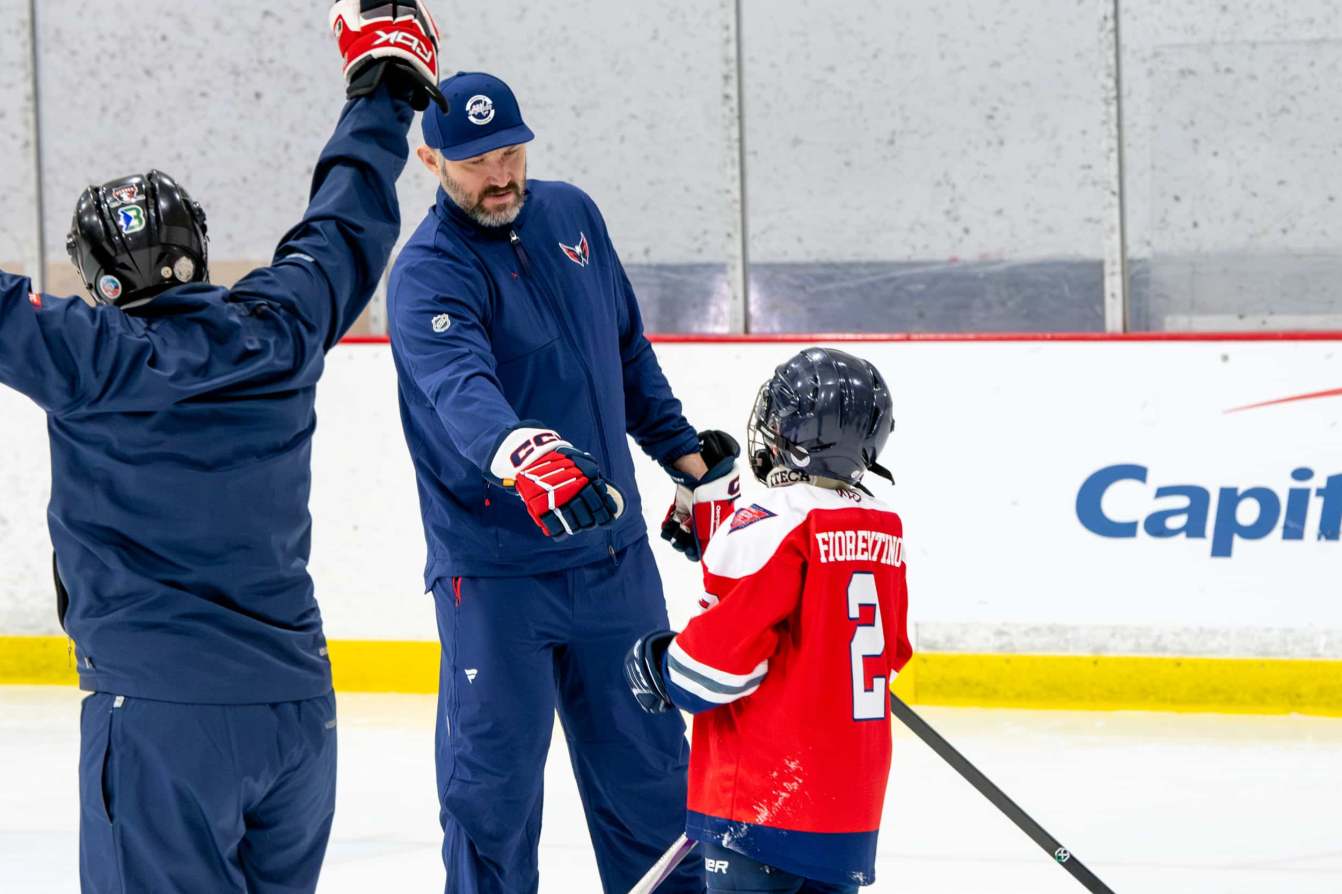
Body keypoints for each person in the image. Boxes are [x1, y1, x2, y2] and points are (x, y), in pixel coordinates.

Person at [0, 3, 444, 890]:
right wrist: (384, 83)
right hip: (296, 716)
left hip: (163, 714)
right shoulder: (279, 329)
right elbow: (345, 219)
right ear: (197, 247)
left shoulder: (87, 355)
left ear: (97, 277)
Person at [387, 70, 740, 893]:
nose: (500, 176)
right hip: (497, 576)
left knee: (654, 787)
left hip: (614, 565)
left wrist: (690, 463)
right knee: (491, 799)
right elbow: (460, 389)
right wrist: (520, 454)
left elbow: (624, 353)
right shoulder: (427, 273)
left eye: (510, 152)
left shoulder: (572, 214)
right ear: (428, 159)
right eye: (475, 162)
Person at [625, 347, 912, 893]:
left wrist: (659, 666)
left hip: (759, 802)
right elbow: (885, 652)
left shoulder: (767, 522)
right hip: (848, 806)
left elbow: (709, 676)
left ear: (789, 435)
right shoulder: (884, 529)